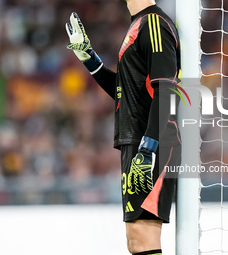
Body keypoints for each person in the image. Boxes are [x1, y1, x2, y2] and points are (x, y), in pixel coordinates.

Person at [66, 0, 181, 254]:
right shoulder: (139, 24)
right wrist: (90, 59)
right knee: (136, 241)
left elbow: (167, 90)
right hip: (139, 141)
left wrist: (148, 147)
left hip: (151, 142)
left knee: (144, 238)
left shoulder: (154, 24)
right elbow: (126, 92)